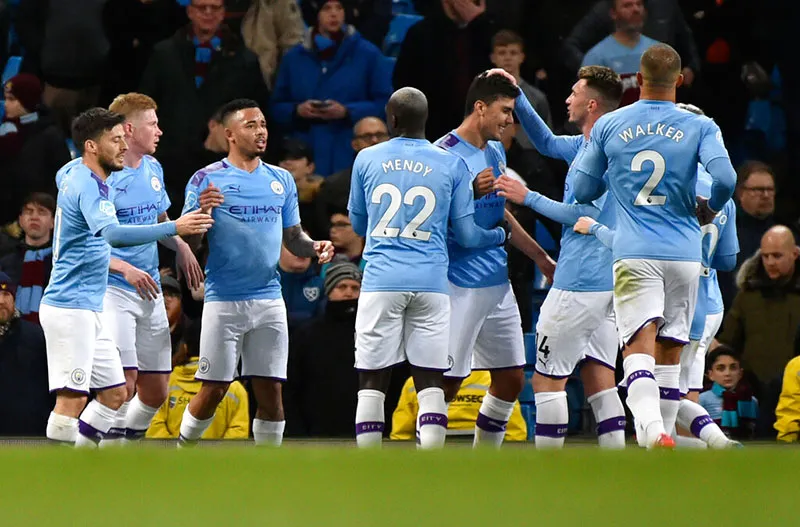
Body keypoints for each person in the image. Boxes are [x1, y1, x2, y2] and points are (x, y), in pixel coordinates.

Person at [571, 43, 737, 448]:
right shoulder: (701, 126)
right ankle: (663, 440)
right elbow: (727, 179)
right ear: (679, 81)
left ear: (639, 80)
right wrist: (710, 209)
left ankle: (649, 430)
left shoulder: (612, 123)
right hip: (684, 254)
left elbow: (580, 188)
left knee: (637, 346)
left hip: (634, 250)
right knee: (670, 353)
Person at [40, 108, 212, 447]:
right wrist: (173, 228)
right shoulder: (89, 186)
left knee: (116, 393)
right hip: (70, 306)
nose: (123, 146)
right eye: (115, 140)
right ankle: (57, 476)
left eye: (123, 139)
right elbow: (114, 235)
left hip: (88, 306)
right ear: (91, 146)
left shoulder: (84, 177)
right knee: (72, 398)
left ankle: (86, 462)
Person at [349, 87, 509, 449]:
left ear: (391, 119)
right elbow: (467, 235)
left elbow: (358, 225)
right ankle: (431, 466)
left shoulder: (367, 158)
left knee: (372, 380)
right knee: (431, 380)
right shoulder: (450, 163)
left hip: (381, 281)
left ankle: (368, 470)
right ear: (426, 119)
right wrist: (498, 236)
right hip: (432, 283)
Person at [177, 99, 334, 447]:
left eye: (263, 124)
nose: (261, 131)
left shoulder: (280, 180)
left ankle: (268, 468)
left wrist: (315, 246)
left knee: (271, 390)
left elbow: (293, 237)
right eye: (251, 125)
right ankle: (181, 450)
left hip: (268, 299)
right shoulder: (206, 178)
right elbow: (189, 238)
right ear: (230, 134)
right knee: (215, 388)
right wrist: (203, 210)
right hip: (224, 299)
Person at [493, 65, 627, 449]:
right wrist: (516, 95)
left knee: (547, 378)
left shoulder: (603, 153)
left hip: (581, 278)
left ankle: (548, 468)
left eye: (573, 92)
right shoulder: (591, 144)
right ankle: (617, 465)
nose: (566, 99)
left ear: (591, 103)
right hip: (609, 281)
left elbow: (586, 216)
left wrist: (527, 197)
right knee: (599, 373)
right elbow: (548, 142)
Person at [434, 72, 555, 448]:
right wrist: (468, 192)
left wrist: (540, 256)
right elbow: (433, 217)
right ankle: (424, 464)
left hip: (497, 282)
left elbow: (500, 212)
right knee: (448, 381)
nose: (509, 121)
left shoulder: (495, 150)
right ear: (480, 107)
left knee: (511, 377)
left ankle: (483, 462)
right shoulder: (441, 154)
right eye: (505, 111)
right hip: (458, 282)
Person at [101, 93, 205, 444]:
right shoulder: (104, 179)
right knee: (124, 383)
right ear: (129, 129)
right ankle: (101, 455)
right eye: (153, 124)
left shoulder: (153, 168)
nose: (160, 131)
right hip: (113, 288)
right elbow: (91, 242)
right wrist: (124, 269)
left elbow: (160, 220)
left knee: (156, 390)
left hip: (150, 290)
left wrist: (181, 248)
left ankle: (122, 446)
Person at [146, 318, 250, 440]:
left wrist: (178, 455)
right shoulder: (236, 390)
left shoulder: (165, 383)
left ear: (184, 347)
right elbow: (237, 434)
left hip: (172, 458)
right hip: (218, 459)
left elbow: (154, 427)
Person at [0, 193, 56, 324]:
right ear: (20, 220)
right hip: (11, 334)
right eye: (29, 212)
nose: (34, 217)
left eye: (42, 212)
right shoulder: (5, 263)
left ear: (53, 221)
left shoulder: (61, 262)